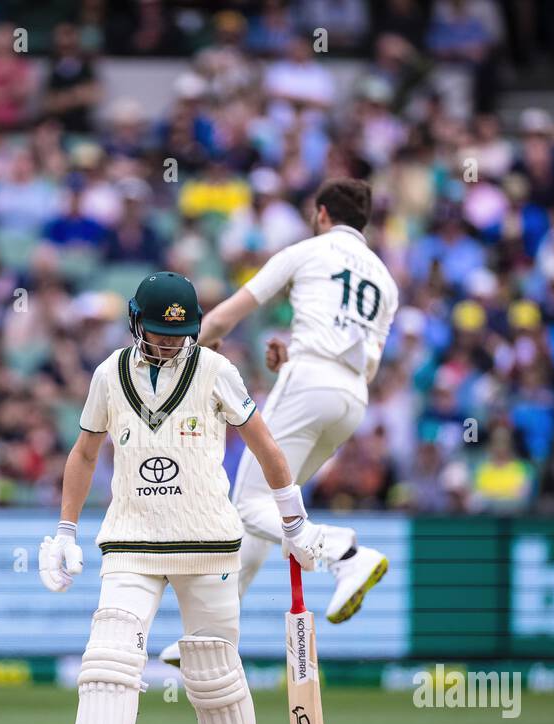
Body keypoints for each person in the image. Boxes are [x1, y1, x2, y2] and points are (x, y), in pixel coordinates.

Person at [38, 271, 322, 724]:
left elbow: (265, 446)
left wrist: (295, 522)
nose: (169, 341)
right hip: (131, 541)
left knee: (213, 670)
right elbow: (84, 454)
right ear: (134, 321)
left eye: (180, 331)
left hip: (209, 543)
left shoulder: (215, 370)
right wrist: (65, 531)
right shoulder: (109, 374)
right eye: (158, 331)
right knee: (109, 657)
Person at [156, 179, 399, 666]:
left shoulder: (308, 249)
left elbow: (227, 317)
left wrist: (185, 354)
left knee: (246, 506)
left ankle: (344, 553)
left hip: (308, 385)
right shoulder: (385, 281)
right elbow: (360, 361)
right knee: (269, 507)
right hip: (350, 400)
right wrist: (292, 354)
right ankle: (212, 634)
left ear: (322, 212)